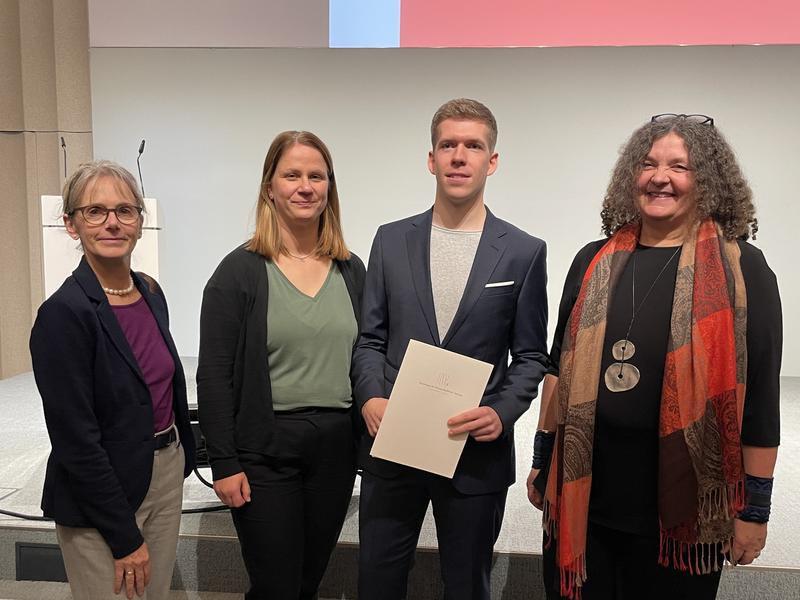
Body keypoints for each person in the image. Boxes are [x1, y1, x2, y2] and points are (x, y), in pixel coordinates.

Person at [527, 114, 781, 600]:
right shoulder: (592, 259)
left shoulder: (742, 270)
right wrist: (543, 458)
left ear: (706, 181)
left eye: (679, 167)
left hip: (681, 513)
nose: (659, 177)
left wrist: (755, 510)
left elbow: (760, 403)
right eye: (648, 164)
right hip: (587, 498)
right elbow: (559, 368)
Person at [353, 98, 549, 599]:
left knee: (466, 584)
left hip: (474, 450)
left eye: (473, 145)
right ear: (431, 158)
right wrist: (371, 396)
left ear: (492, 161)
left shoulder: (524, 251)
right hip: (395, 437)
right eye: (448, 145)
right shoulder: (390, 240)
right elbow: (370, 338)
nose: (459, 156)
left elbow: (531, 356)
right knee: (378, 580)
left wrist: (502, 412)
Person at [197, 131, 365, 599]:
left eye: (317, 176)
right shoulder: (239, 272)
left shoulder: (351, 270)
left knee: (308, 581)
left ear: (330, 187)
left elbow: (369, 358)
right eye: (291, 174)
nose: (305, 186)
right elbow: (212, 376)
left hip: (334, 451)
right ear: (269, 186)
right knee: (276, 587)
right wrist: (223, 464)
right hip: (265, 452)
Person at [29, 160, 196, 600]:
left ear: (141, 222)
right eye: (94, 211)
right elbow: (76, 440)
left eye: (125, 211)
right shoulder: (62, 315)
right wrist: (124, 537)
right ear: (70, 224)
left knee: (152, 595)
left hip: (163, 468)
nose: (112, 223)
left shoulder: (150, 292)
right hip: (103, 490)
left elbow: (161, 386)